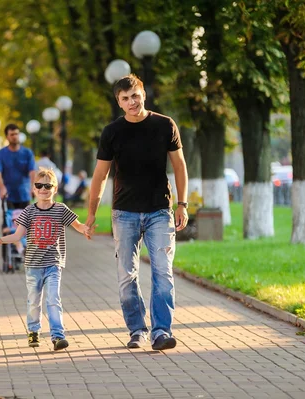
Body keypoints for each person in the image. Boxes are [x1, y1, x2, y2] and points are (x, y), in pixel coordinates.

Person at [85, 74, 189, 351]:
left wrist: (182, 204)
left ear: (144, 94)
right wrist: (92, 213)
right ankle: (137, 330)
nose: (132, 102)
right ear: (119, 102)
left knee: (163, 273)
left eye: (135, 95)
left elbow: (179, 166)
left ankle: (161, 331)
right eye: (125, 98)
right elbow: (100, 175)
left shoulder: (165, 125)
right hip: (124, 213)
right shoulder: (112, 132)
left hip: (159, 211)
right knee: (126, 275)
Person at [0, 168, 92, 351]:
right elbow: (17, 235)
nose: (43, 189)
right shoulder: (29, 211)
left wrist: (85, 229)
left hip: (54, 263)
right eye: (39, 185)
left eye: (48, 185)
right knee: (34, 301)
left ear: (55, 189)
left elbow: (76, 225)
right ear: (34, 189)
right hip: (33, 265)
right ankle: (33, 331)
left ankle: (58, 336)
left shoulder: (61, 209)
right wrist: (1, 239)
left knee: (53, 298)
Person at [0, 123, 37, 209]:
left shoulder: (27, 153)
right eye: (12, 134)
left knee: (26, 221)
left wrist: (33, 187)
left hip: (25, 194)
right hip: (8, 194)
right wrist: (2, 188)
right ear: (7, 137)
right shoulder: (0, 154)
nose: (15, 136)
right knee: (9, 221)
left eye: (16, 134)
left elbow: (32, 171)